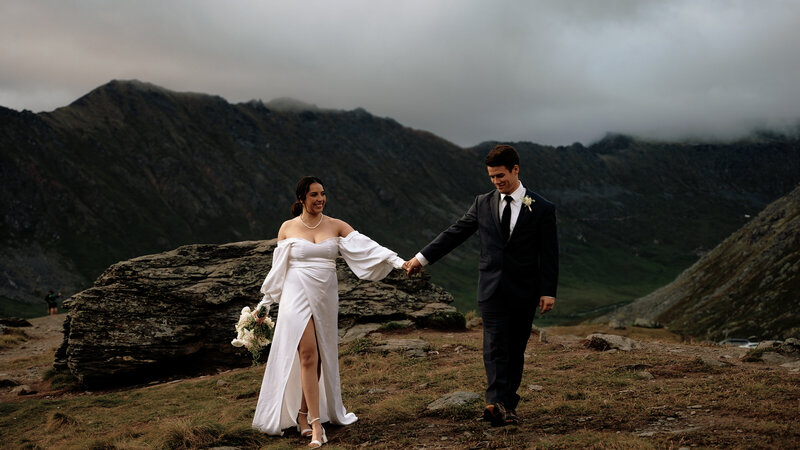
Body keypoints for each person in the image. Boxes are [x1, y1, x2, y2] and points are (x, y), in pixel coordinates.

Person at [403, 144, 559, 426]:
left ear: (515, 169)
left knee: (515, 348)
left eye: (501, 175)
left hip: (524, 290)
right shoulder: (482, 203)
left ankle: (507, 404)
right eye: (491, 177)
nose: (497, 182)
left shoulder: (542, 208)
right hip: (491, 288)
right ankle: (495, 403)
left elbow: (549, 253)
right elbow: (454, 233)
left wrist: (548, 291)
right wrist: (421, 258)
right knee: (494, 345)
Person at [251, 176, 404, 447]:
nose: (320, 199)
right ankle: (316, 425)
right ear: (302, 199)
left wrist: (399, 262)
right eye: (314, 195)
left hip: (324, 296)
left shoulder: (336, 225)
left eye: (323, 194)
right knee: (308, 355)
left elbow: (369, 247)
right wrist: (265, 304)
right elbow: (279, 270)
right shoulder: (287, 228)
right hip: (294, 295)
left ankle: (302, 414)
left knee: (318, 358)